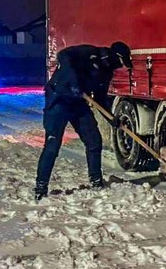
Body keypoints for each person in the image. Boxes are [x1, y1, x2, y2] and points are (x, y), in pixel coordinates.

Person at [35, 41, 132, 200]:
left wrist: (111, 119)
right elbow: (63, 56)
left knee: (94, 141)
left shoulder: (106, 73)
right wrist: (73, 81)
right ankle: (41, 186)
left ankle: (96, 181)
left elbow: (100, 99)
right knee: (53, 145)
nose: (119, 67)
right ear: (114, 57)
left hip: (78, 103)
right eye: (120, 63)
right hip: (58, 99)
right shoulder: (89, 52)